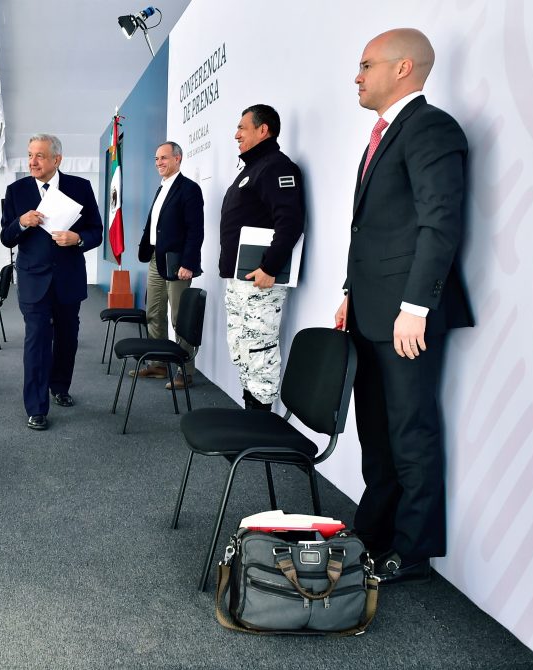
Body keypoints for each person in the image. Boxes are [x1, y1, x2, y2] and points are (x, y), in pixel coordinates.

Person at [334, 28, 472, 584]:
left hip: (406, 318)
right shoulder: (382, 135)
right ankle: (374, 528)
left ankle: (413, 549)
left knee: (410, 431)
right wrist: (347, 293)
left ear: (402, 69)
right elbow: (370, 230)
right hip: (369, 311)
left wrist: (415, 307)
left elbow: (439, 223)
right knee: (376, 430)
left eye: (366, 65)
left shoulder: (431, 128)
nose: (357, 76)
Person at [0, 133, 103, 431]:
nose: (32, 161)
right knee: (37, 340)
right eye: (30, 155)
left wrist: (78, 238)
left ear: (57, 159)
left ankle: (59, 386)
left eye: (39, 156)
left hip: (69, 278)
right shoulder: (16, 190)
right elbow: (6, 236)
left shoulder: (80, 187)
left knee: (68, 337)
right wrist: (21, 222)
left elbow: (96, 230)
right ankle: (36, 407)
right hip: (33, 279)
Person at [217, 105, 305, 410]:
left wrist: (270, 266)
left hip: (260, 282)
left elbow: (290, 222)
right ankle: (250, 417)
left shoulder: (276, 167)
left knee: (259, 353)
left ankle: (259, 423)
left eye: (243, 128)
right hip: (240, 281)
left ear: (263, 129)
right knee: (242, 350)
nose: (236, 134)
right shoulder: (252, 168)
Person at [134, 141, 204, 389]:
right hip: (156, 258)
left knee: (179, 318)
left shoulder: (189, 189)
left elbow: (196, 231)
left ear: (178, 159)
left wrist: (189, 263)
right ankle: (159, 363)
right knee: (153, 311)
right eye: (156, 159)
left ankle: (186, 371)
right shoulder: (161, 188)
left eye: (164, 158)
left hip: (177, 263)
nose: (159, 163)